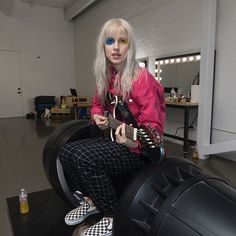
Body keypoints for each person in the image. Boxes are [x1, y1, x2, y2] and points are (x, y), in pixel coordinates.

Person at [59, 18, 166, 236]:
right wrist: (98, 116)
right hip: (113, 140)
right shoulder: (105, 76)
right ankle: (91, 200)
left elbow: (153, 128)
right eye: (110, 41)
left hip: (138, 151)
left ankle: (111, 217)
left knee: (84, 157)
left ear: (130, 45)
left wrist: (131, 141)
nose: (116, 47)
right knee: (65, 151)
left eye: (122, 41)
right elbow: (97, 105)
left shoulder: (141, 79)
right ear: (103, 46)